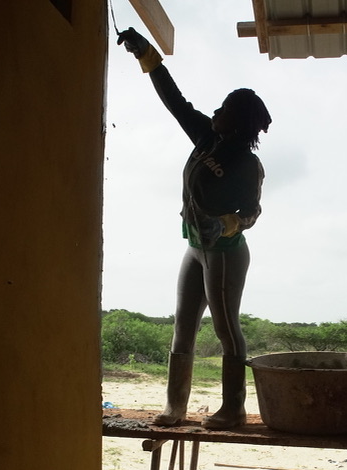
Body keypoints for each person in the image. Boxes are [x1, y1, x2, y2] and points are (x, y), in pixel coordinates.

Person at [116, 28, 271, 430]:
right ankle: (175, 407)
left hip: (225, 253)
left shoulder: (246, 164)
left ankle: (233, 409)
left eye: (224, 108)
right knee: (182, 325)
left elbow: (252, 211)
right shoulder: (205, 137)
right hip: (195, 248)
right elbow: (175, 101)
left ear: (237, 122)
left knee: (225, 327)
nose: (215, 110)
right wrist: (147, 56)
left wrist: (227, 223)